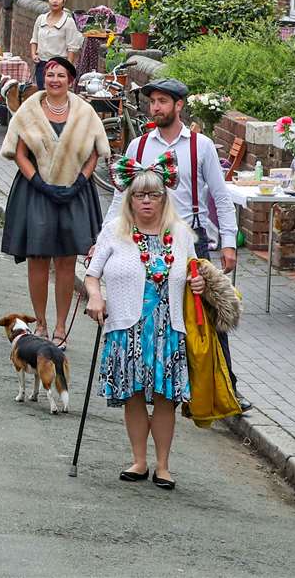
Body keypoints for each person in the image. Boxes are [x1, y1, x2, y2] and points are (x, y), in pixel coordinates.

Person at [105, 77, 244, 408]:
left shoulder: (201, 146)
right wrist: (105, 240)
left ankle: (224, 390)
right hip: (143, 242)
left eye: (163, 102)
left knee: (205, 317)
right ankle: (153, 380)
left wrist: (228, 243)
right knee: (148, 314)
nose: (156, 107)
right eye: (153, 101)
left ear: (179, 105)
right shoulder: (138, 146)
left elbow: (221, 198)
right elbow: (119, 197)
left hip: (190, 242)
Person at [85, 163, 204, 490]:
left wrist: (198, 285)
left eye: (154, 195)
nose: (147, 202)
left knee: (166, 398)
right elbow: (92, 275)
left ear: (165, 199)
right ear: (130, 199)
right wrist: (95, 298)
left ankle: (163, 466)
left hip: (168, 329)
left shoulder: (180, 234)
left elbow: (194, 272)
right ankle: (139, 460)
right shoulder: (113, 230)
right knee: (134, 395)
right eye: (139, 195)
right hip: (127, 327)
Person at [0, 56, 110, 343]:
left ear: (70, 80)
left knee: (65, 261)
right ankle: (41, 325)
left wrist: (81, 182)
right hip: (36, 193)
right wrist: (38, 182)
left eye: (61, 75)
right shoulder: (30, 109)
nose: (54, 80)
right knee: (37, 258)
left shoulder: (85, 112)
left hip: (74, 193)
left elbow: (95, 152)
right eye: (50, 75)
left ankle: (61, 327)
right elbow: (20, 152)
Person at [29, 0, 84, 88]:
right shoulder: (41, 19)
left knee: (56, 94)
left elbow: (72, 47)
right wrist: (33, 54)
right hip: (41, 64)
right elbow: (34, 39)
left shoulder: (68, 21)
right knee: (41, 93)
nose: (55, 1)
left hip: (59, 65)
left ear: (63, 2)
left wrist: (67, 68)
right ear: (48, 1)